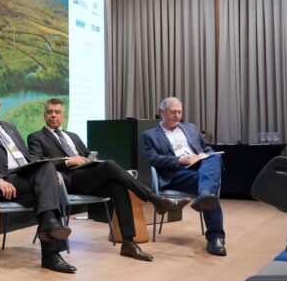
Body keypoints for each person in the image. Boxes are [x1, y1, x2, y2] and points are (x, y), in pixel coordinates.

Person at [27, 98, 190, 262]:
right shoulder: (36, 137)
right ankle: (155, 199)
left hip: (85, 176)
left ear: (64, 115)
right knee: (109, 165)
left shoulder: (73, 136)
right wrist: (67, 161)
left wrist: (91, 158)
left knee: (118, 186)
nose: (53, 116)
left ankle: (128, 243)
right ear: (44, 115)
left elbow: (86, 154)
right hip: (66, 181)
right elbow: (36, 162)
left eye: (57, 112)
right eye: (50, 112)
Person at [0, 89, 75, 273]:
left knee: (48, 169)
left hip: (22, 175)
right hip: (1, 183)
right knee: (45, 192)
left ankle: (50, 227)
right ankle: (52, 251)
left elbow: (27, 157)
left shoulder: (10, 127)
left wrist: (51, 174)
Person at [141, 97, 227, 256]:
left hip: (199, 168)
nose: (177, 115)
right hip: (176, 174)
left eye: (179, 112)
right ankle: (215, 237)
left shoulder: (191, 128)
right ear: (162, 112)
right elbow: (153, 159)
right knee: (210, 186)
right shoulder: (149, 135)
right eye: (173, 112)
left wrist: (201, 155)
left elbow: (207, 148)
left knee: (215, 157)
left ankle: (206, 195)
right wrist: (178, 159)